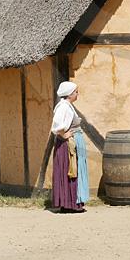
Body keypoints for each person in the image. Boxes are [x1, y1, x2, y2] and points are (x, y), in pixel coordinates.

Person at [51, 81, 89, 212]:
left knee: (73, 170)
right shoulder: (63, 107)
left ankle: (71, 203)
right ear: (70, 94)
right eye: (76, 92)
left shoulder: (68, 106)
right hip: (67, 145)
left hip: (72, 141)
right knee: (70, 170)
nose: (77, 94)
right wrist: (64, 134)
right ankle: (69, 204)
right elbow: (57, 125)